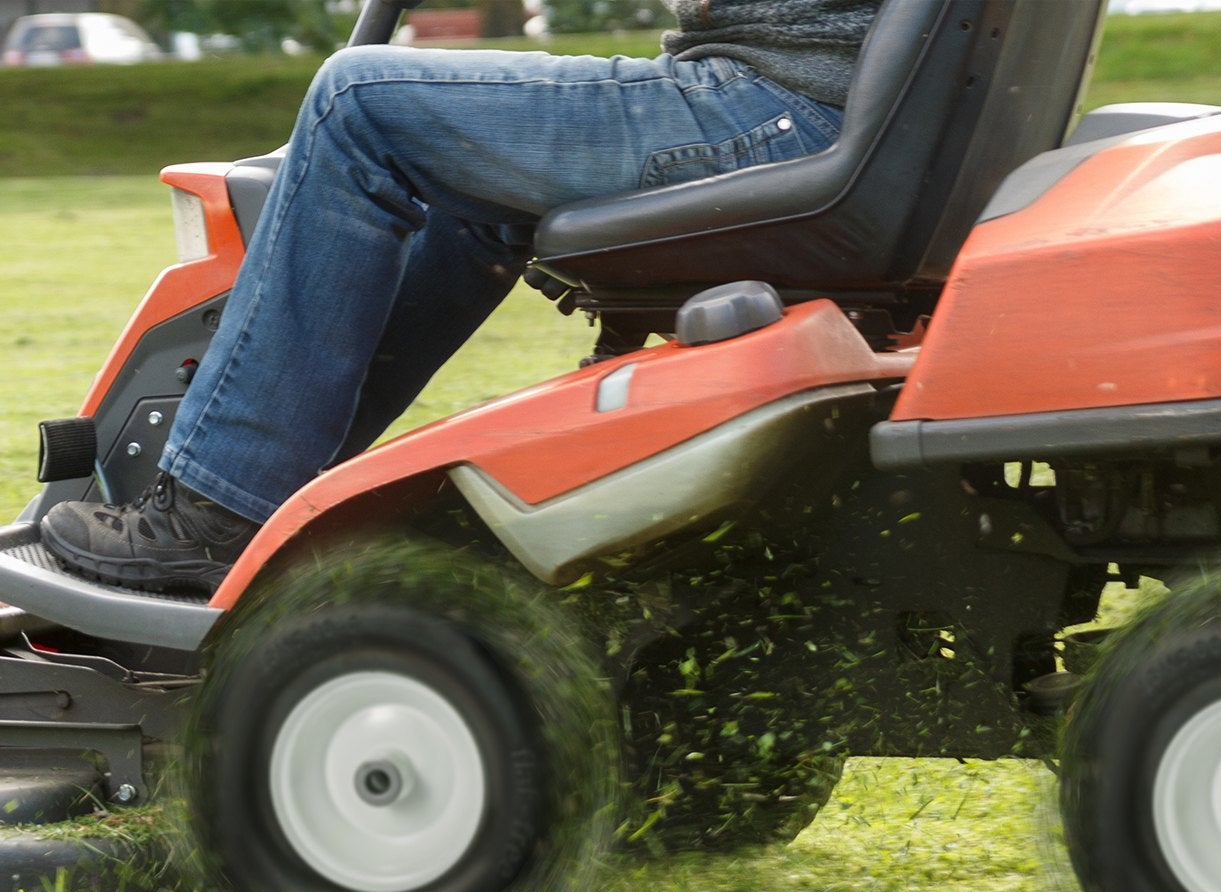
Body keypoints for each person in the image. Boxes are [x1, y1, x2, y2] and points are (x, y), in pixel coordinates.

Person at [42, 0, 879, 594]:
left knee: (355, 101)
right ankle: (294, 502)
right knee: (470, 186)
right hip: (809, 105)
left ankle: (219, 512)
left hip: (776, 108)